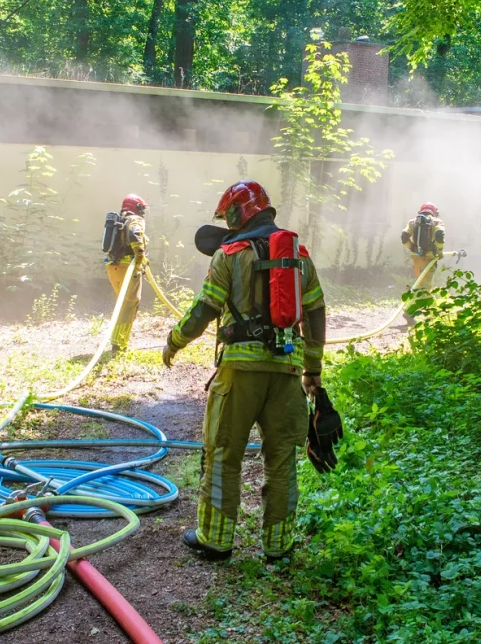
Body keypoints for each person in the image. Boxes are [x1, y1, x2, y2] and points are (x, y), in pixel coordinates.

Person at [162, 180, 326, 562]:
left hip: (239, 373)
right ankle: (279, 547)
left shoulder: (230, 254)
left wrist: (174, 340)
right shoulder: (299, 255)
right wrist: (312, 368)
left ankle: (216, 540)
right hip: (287, 371)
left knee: (223, 452)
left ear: (237, 213)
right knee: (282, 458)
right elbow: (316, 313)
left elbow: (205, 309)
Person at [106, 194, 149, 354]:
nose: (143, 212)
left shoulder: (120, 221)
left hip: (113, 267)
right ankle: (119, 344)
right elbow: (135, 234)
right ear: (137, 207)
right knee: (129, 304)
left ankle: (117, 341)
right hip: (128, 266)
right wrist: (140, 256)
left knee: (122, 303)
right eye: (142, 209)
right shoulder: (134, 220)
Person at [401, 202, 446, 291]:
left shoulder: (412, 222)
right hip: (429, 256)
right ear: (434, 212)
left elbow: (404, 237)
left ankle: (417, 301)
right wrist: (439, 251)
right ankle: (425, 302)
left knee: (419, 281)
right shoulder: (436, 222)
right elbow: (440, 235)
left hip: (416, 257)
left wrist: (412, 248)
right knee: (426, 285)